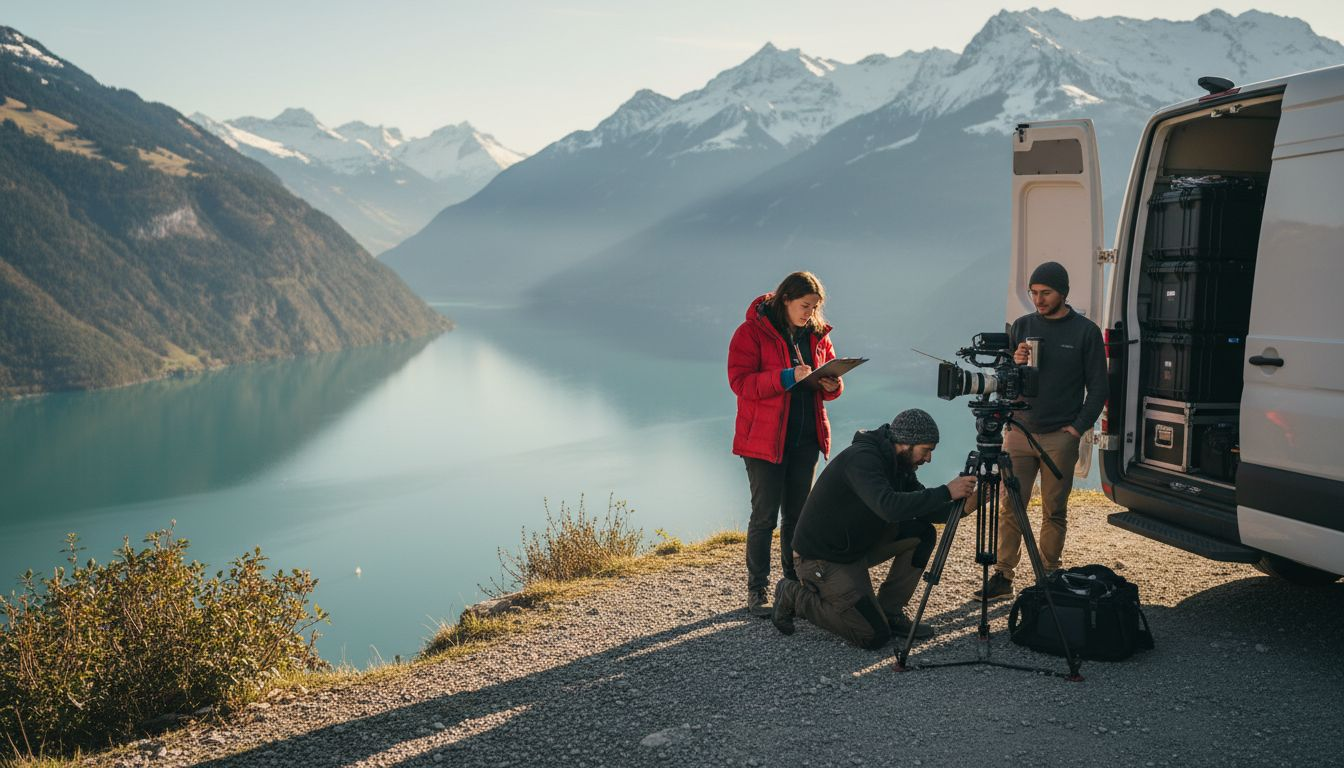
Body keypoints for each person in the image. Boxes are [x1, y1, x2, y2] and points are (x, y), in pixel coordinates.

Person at [771, 409, 977, 648]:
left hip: (854, 547)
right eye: (926, 450)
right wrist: (945, 491)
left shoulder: (900, 465)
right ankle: (793, 595)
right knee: (872, 635)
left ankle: (890, 612)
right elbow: (888, 507)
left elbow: (928, 511)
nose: (929, 458)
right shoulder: (863, 459)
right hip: (821, 559)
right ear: (906, 443)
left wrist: (972, 503)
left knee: (921, 533)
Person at [972, 261, 1107, 601]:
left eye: (1045, 293)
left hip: (1060, 436)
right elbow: (1003, 380)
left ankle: (1049, 575)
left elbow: (1100, 388)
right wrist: (1013, 362)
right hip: (1018, 430)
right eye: (1033, 293)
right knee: (1010, 505)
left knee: (1054, 509)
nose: (1038, 299)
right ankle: (1003, 577)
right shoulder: (1022, 326)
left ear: (1063, 292)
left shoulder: (1085, 332)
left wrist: (1077, 429)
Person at [728, 271, 844, 617]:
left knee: (798, 516)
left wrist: (832, 386)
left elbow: (833, 383)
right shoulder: (750, 332)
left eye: (814, 307)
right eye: (804, 306)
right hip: (763, 441)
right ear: (785, 300)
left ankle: (792, 584)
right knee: (765, 517)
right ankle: (758, 590)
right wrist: (785, 377)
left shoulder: (818, 335)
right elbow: (741, 383)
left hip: (806, 437)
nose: (809, 313)